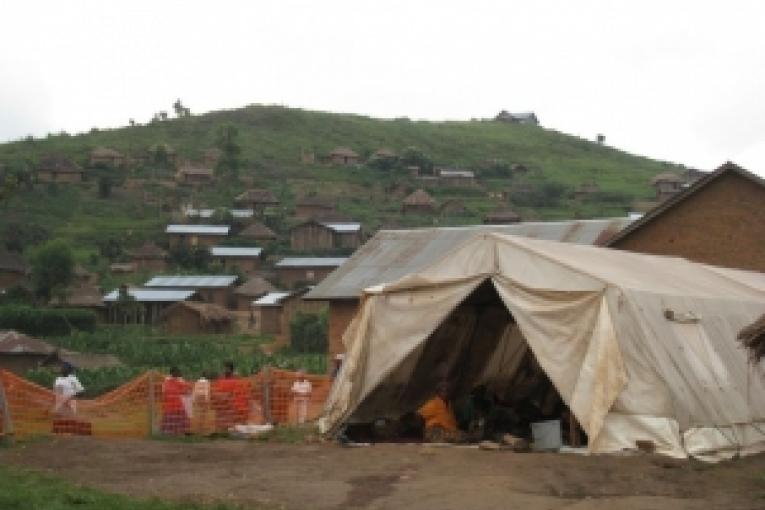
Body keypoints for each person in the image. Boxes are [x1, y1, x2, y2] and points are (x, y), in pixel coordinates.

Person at [52, 363, 90, 435]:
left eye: (65, 368)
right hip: (60, 405)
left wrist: (69, 398)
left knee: (70, 428)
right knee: (59, 428)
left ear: (69, 370)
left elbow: (81, 392)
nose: (63, 369)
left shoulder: (73, 379)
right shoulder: (58, 379)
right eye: (63, 368)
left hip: (70, 404)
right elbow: (55, 392)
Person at [212, 361, 249, 431]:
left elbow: (237, 393)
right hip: (222, 405)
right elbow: (217, 391)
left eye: (226, 368)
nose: (225, 370)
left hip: (232, 407)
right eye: (224, 368)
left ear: (230, 369)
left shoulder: (236, 380)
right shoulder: (221, 379)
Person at [161, 367, 191, 435]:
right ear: (173, 373)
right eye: (178, 372)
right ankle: (176, 432)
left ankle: (173, 432)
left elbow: (185, 389)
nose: (179, 373)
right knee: (175, 418)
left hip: (173, 404)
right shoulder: (171, 381)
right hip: (173, 404)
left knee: (173, 418)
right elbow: (185, 389)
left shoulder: (173, 381)